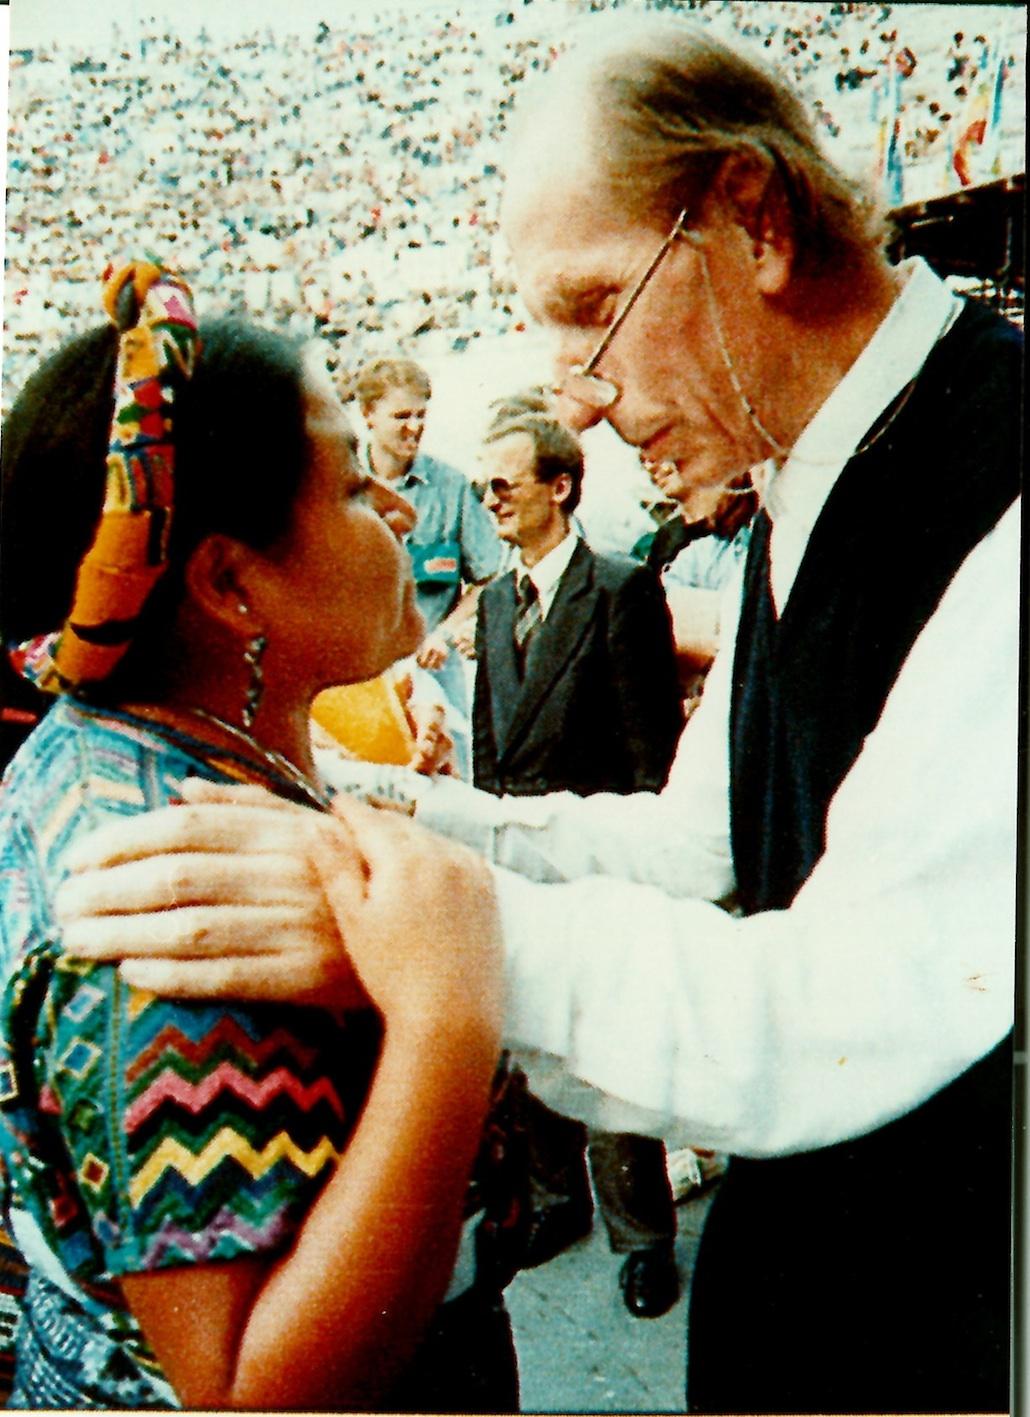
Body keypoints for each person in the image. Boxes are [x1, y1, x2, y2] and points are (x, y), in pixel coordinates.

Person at [53, 17, 1020, 1415]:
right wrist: (406, 820)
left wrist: (444, 936)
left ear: (750, 219)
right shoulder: (802, 481)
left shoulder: (998, 488)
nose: (576, 393)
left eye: (590, 307)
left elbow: (857, 998)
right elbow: (697, 854)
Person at [0, 260, 519, 1412]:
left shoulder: (151, 754)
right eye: (348, 487)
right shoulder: (168, 887)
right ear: (230, 584)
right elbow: (249, 1388)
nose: (397, 510)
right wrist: (448, 1020)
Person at [473, 411, 683, 1317]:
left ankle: (644, 1236)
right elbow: (489, 735)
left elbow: (652, 754)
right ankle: (556, 1199)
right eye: (484, 485)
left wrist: (645, 874)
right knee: (531, 1046)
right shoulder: (491, 600)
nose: (491, 498)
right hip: (519, 860)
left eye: (505, 483)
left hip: (596, 860)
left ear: (560, 486)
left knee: (608, 1053)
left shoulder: (622, 589)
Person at [354, 357, 503, 774]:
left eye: (421, 415)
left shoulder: (451, 487)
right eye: (401, 416)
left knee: (449, 778)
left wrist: (447, 632)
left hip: (436, 669)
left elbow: (489, 577)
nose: (414, 427)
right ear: (368, 415)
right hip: (364, 672)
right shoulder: (340, 485)